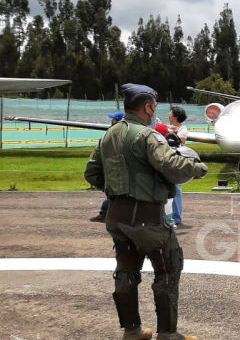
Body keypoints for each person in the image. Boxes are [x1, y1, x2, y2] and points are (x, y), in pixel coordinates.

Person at [84, 83, 207, 340]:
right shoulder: (147, 135)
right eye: (154, 107)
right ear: (148, 107)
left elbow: (92, 173)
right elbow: (170, 164)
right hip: (147, 218)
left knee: (126, 273)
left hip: (116, 216)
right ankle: (167, 334)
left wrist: (118, 190)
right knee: (168, 270)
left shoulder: (108, 135)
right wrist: (198, 168)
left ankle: (132, 331)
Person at [89, 111, 125, 223]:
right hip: (115, 167)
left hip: (114, 168)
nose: (111, 121)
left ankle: (105, 214)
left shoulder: (112, 134)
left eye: (113, 119)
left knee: (112, 194)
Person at [167, 106, 189, 226]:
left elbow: (181, 143)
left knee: (176, 189)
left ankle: (177, 217)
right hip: (166, 160)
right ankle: (168, 216)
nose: (169, 115)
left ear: (175, 116)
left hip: (176, 161)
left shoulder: (182, 129)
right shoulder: (168, 127)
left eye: (170, 113)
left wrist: (170, 133)